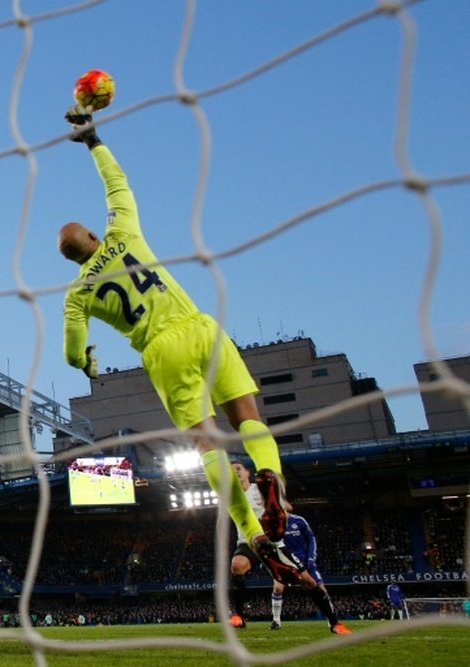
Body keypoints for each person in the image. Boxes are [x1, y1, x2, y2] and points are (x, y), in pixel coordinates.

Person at [59, 107, 305, 585]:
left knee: (204, 441)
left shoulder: (77, 294)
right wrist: (92, 140)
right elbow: (118, 184)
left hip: (160, 349)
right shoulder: (123, 232)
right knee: (248, 416)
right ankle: (270, 476)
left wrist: (86, 362)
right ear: (91, 234)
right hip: (199, 326)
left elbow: (72, 350)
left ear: (70, 259)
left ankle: (250, 528)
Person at [226, 463, 350, 634]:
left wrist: (275, 503)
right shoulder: (230, 496)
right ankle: (238, 616)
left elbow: (287, 507)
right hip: (248, 543)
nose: (235, 472)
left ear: (247, 473)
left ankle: (334, 622)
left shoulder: (261, 489)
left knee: (307, 581)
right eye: (231, 471)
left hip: (273, 543)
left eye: (238, 469)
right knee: (237, 566)